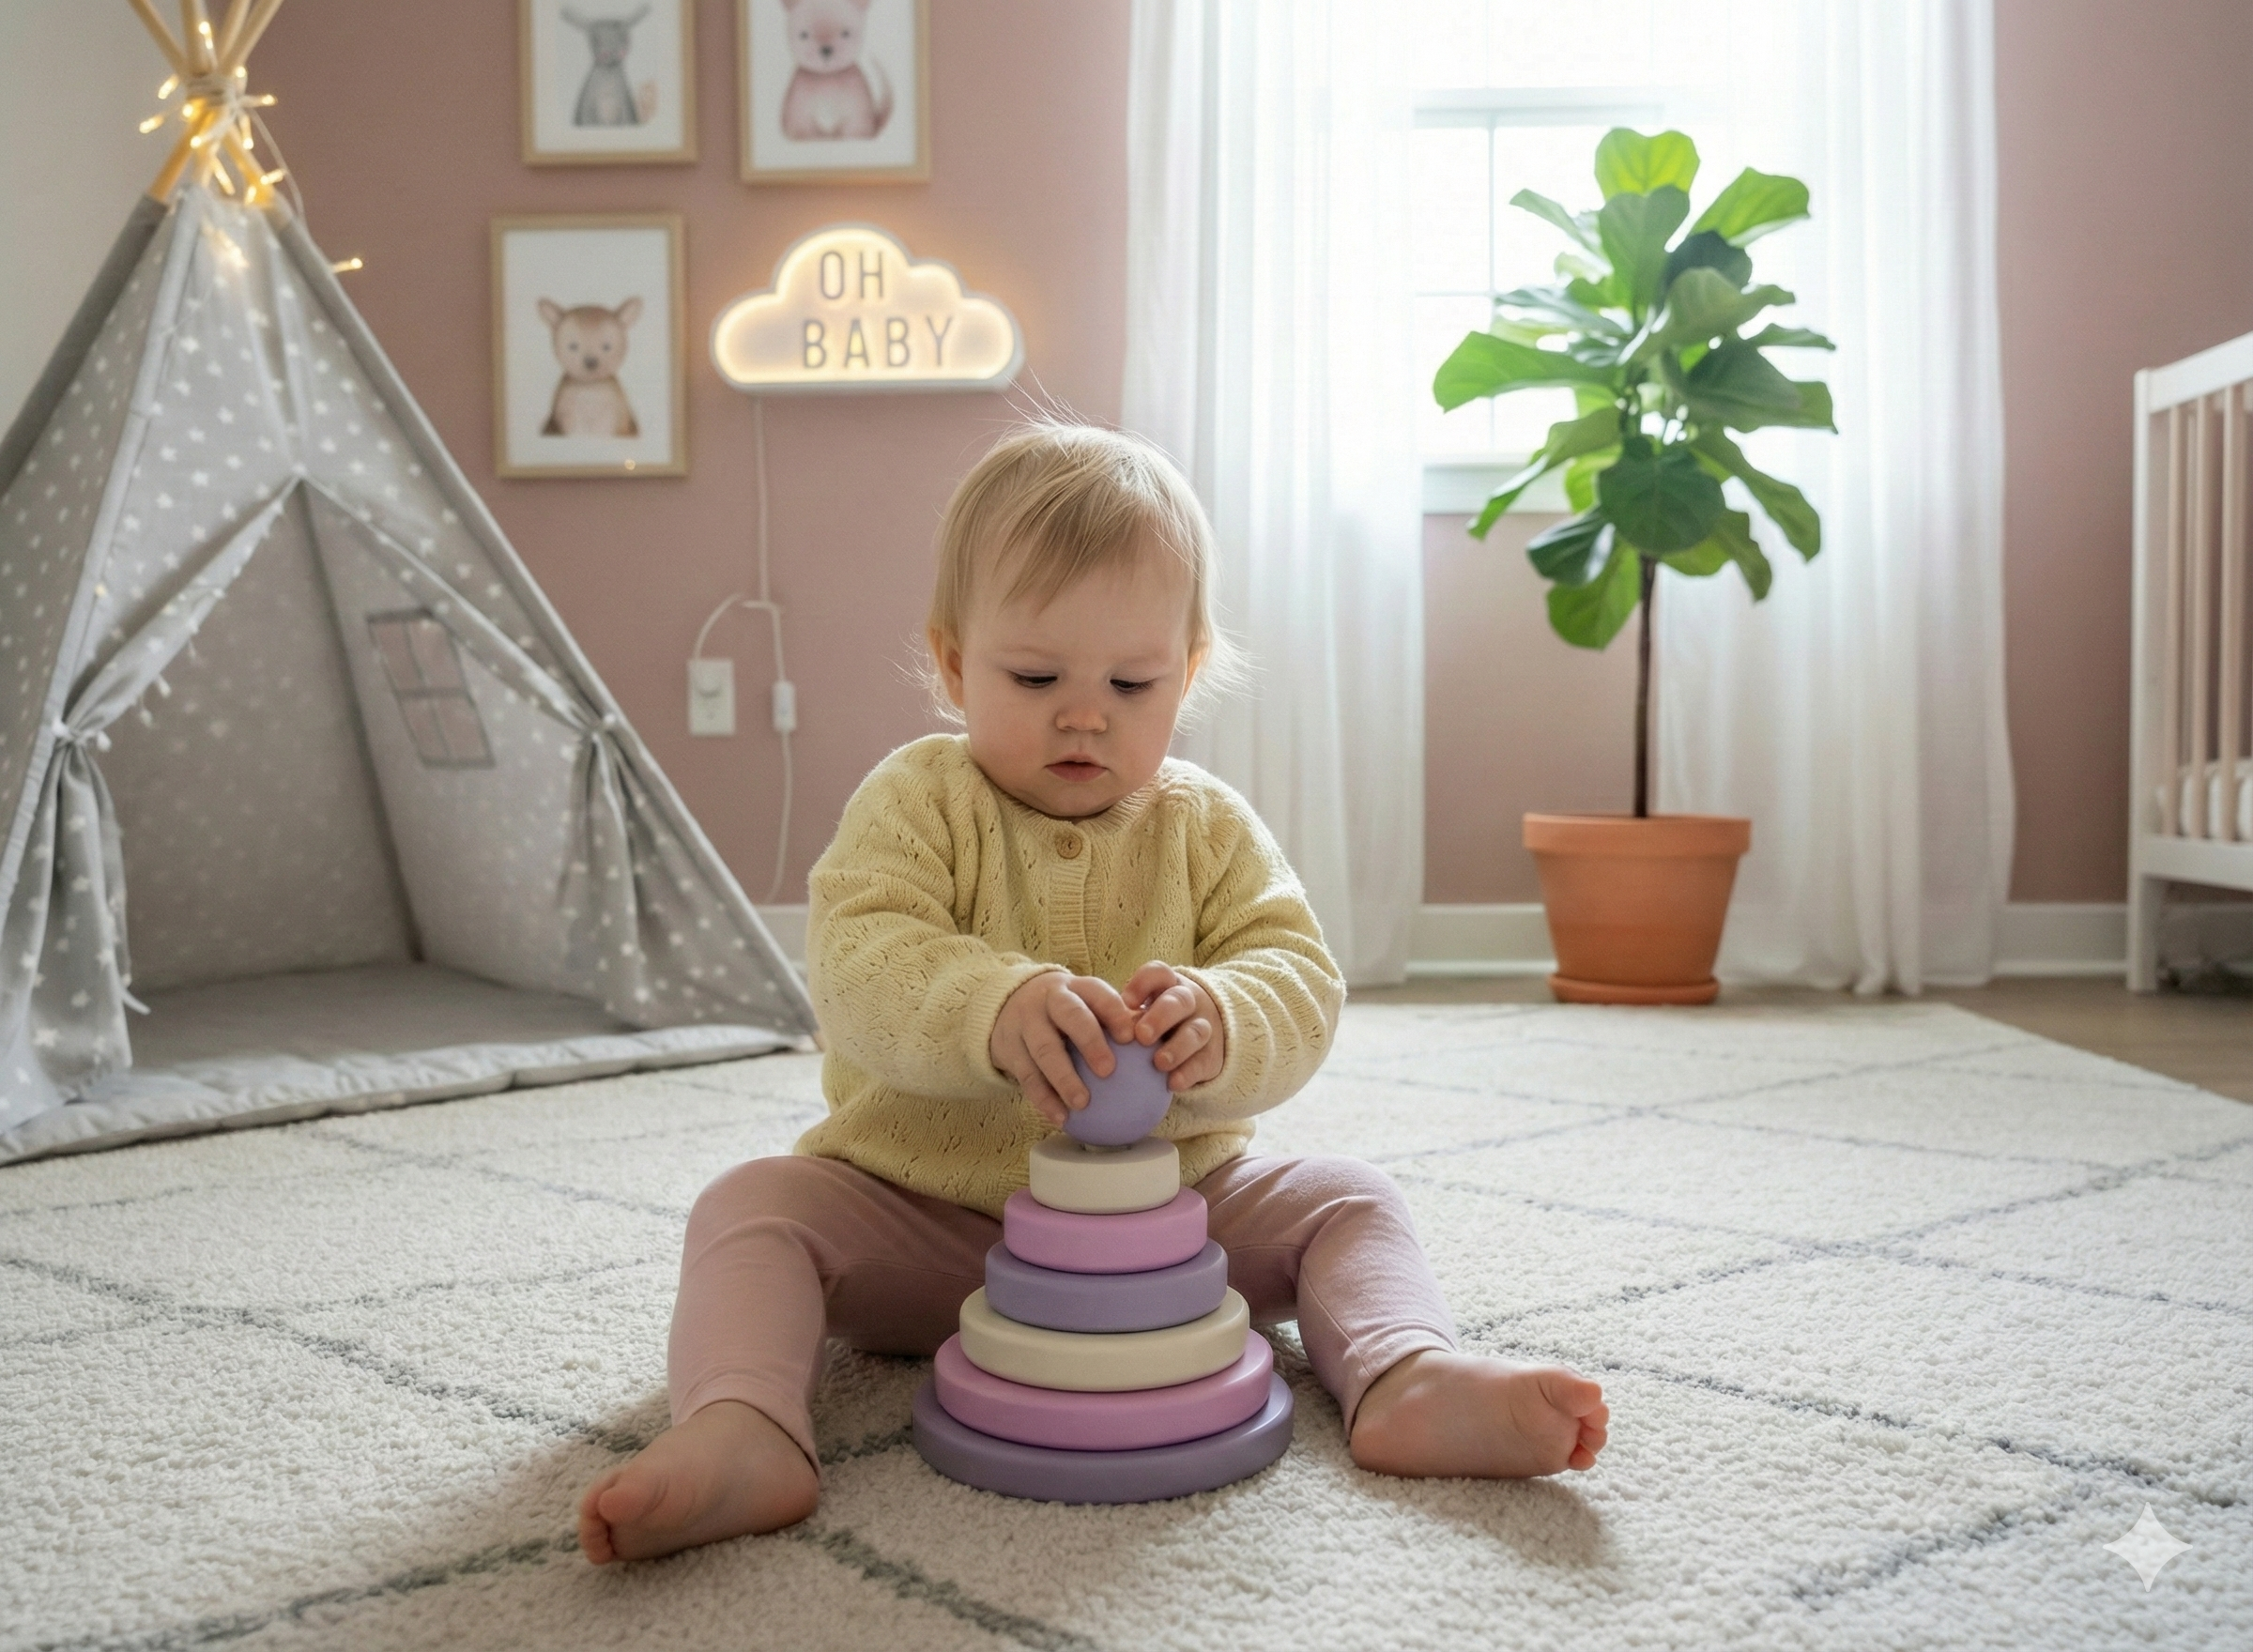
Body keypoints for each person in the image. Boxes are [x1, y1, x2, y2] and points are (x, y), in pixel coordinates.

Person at [578, 422, 1608, 1564]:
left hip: (1171, 1228)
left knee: (1352, 1199)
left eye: (1132, 681)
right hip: (929, 1220)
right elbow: (858, 958)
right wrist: (989, 1003)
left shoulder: (1208, 825)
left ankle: (1409, 1375)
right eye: (1035, 676)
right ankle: (742, 1425)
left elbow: (1299, 974)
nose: (1086, 712)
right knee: (751, 1206)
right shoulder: (920, 798)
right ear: (954, 661)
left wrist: (1226, 1015)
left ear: (1192, 669)